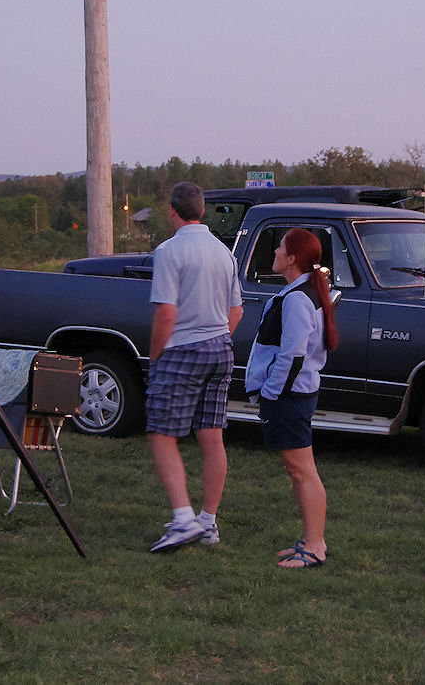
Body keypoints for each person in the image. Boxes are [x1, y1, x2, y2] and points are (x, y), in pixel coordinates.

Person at [145, 182, 244, 552]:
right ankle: (208, 521)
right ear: (201, 211)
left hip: (182, 349)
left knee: (160, 433)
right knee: (211, 435)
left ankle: (184, 519)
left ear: (172, 211)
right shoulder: (224, 253)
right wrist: (217, 337)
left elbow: (166, 314)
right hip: (220, 346)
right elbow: (237, 311)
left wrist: (156, 356)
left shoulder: (169, 251)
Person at [244, 229, 338, 569]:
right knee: (298, 471)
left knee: (303, 472)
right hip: (291, 395)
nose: (276, 251)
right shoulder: (296, 293)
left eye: (281, 247)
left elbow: (294, 355)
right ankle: (311, 539)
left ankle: (315, 546)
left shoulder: (298, 298)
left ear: (293, 258)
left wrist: (271, 392)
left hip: (290, 398)